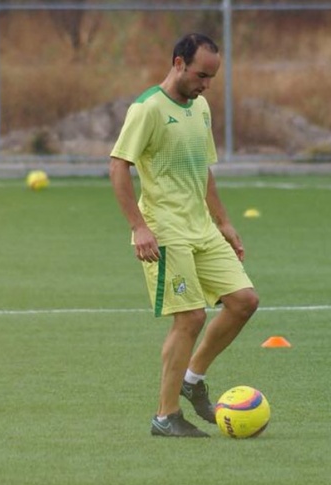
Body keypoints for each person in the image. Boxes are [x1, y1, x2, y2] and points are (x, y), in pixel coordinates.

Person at [109, 33, 259, 438]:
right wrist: (138, 227)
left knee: (244, 301)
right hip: (165, 231)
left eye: (211, 77)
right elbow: (118, 167)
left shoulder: (201, 108)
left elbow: (203, 168)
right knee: (190, 317)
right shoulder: (147, 110)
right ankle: (166, 415)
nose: (206, 84)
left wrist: (224, 222)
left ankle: (193, 379)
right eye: (200, 75)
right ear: (178, 63)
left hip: (201, 227)